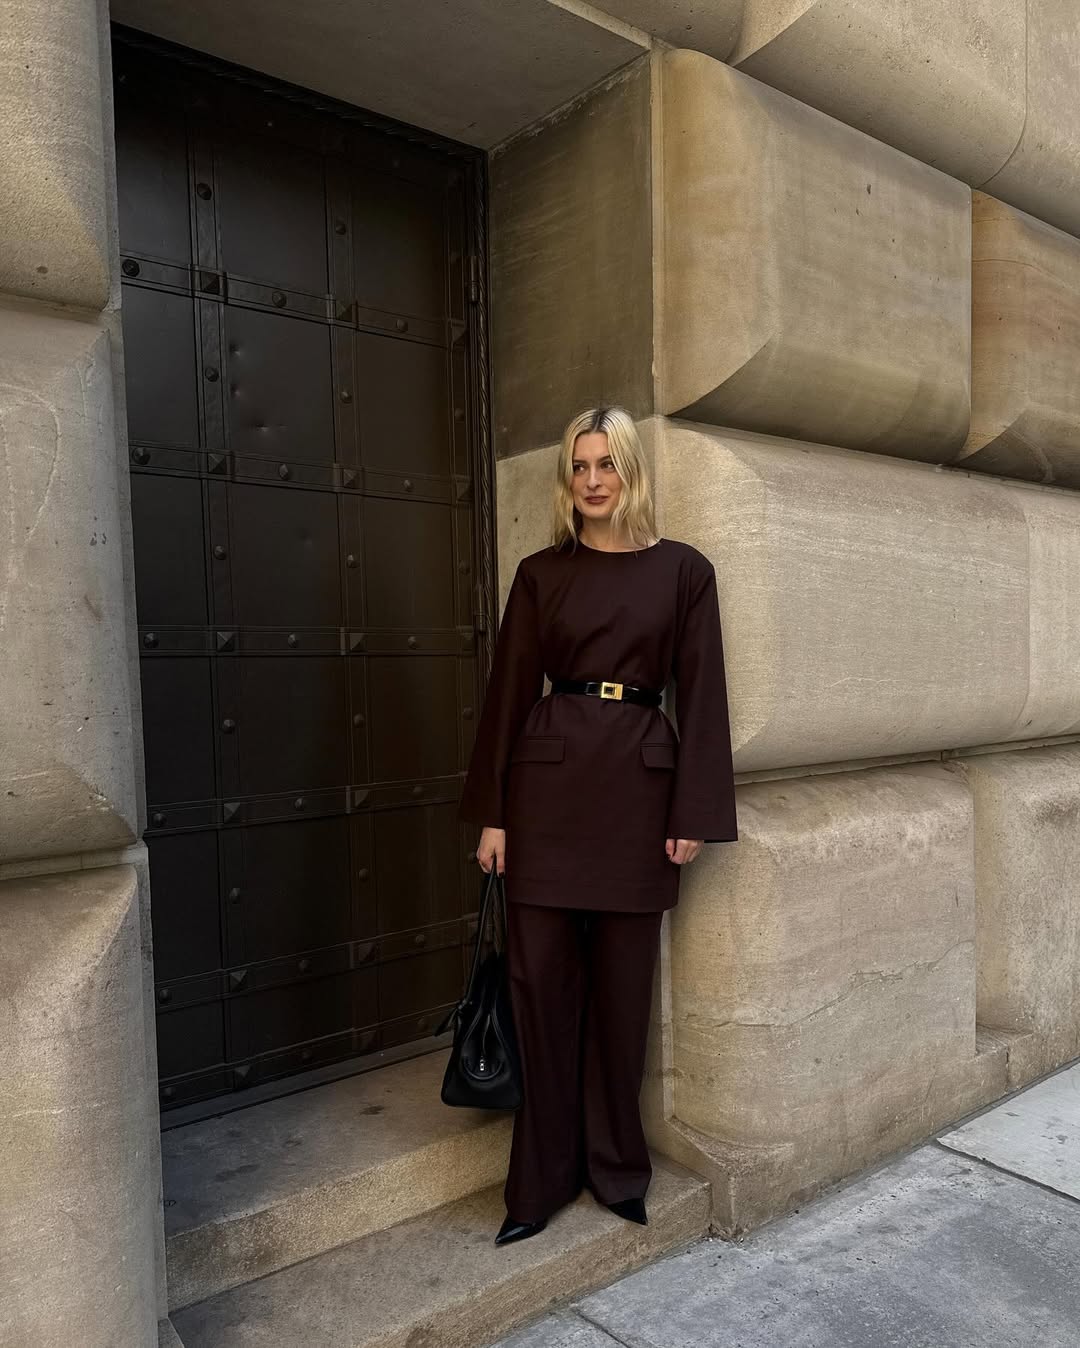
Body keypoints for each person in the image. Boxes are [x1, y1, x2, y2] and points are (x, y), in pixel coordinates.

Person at [458, 405, 738, 1247]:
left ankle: (617, 1170)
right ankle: (536, 1185)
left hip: (639, 803)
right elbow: (507, 696)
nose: (590, 480)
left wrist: (693, 810)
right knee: (540, 995)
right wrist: (492, 816)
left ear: (630, 473)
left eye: (605, 464)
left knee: (621, 1002)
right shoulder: (541, 574)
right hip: (545, 802)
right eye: (578, 466)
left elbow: (704, 694)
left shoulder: (685, 572)